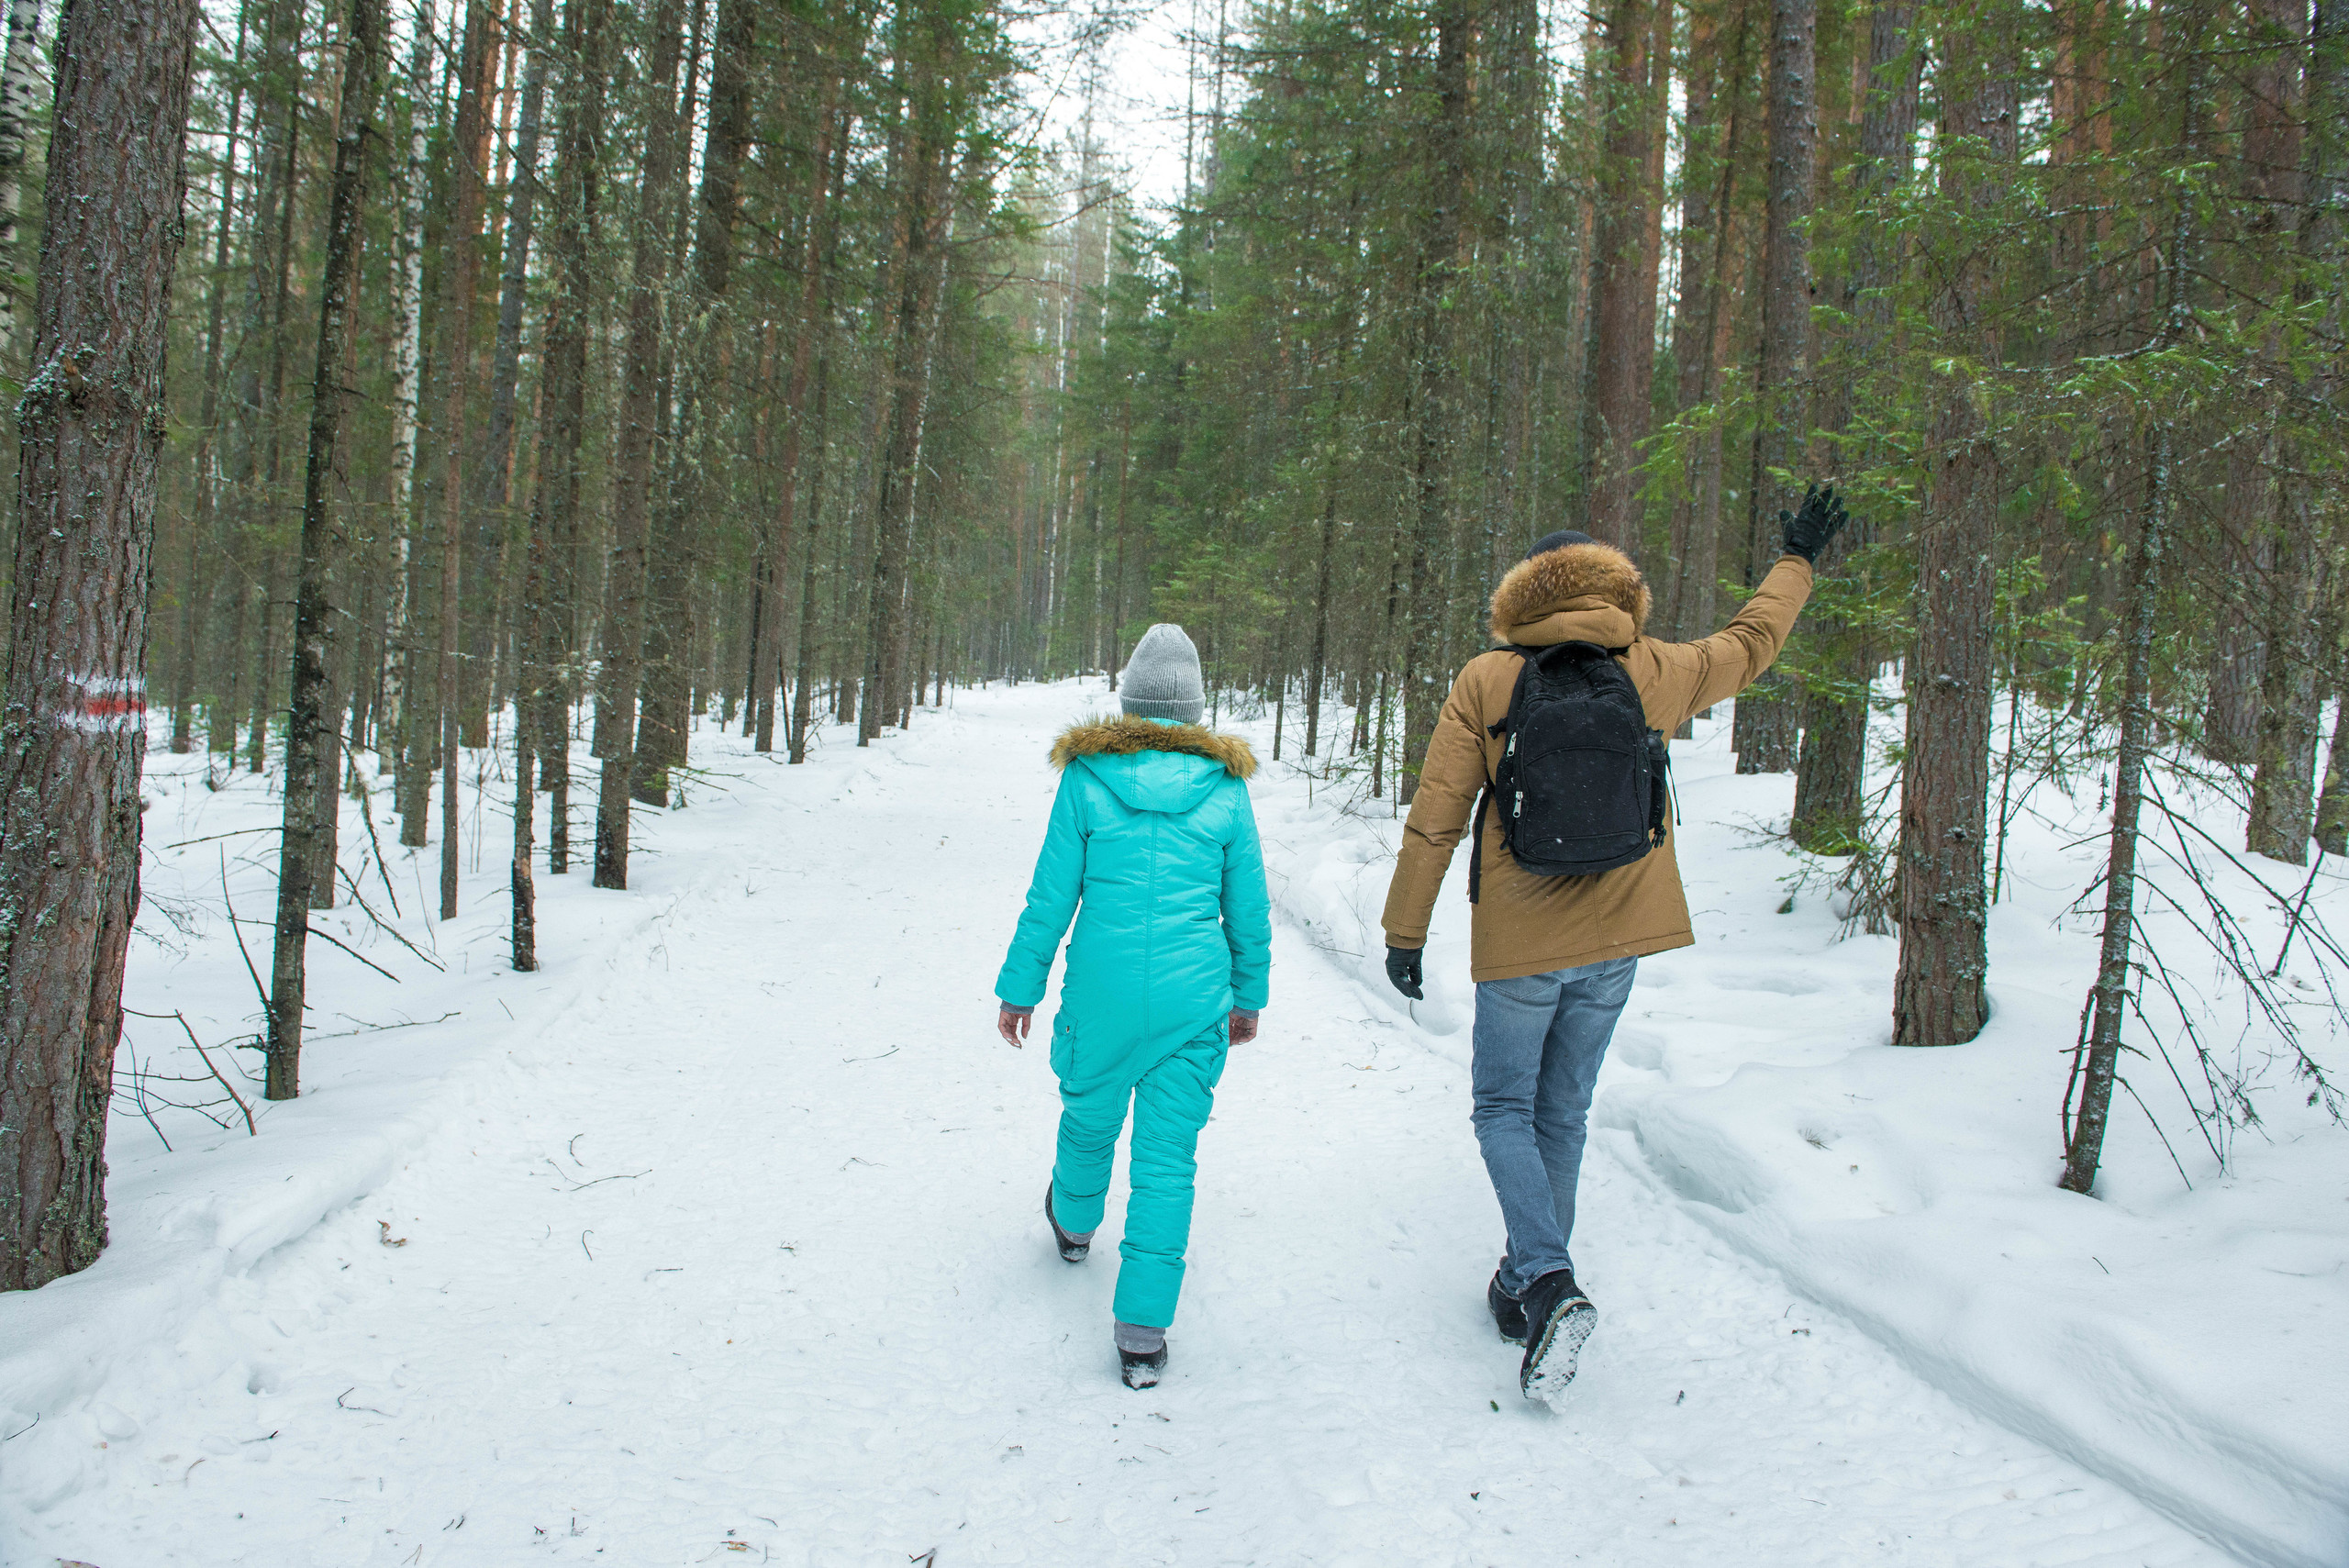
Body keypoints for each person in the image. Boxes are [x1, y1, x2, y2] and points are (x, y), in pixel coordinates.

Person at [1379, 486, 1849, 1405]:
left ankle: (1546, 1278)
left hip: (1521, 941)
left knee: (1501, 1106)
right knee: (1562, 1110)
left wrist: (1406, 930)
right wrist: (1796, 557)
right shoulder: (1655, 668)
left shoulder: (1487, 678)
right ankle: (1523, 1281)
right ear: (1608, 587)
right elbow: (1752, 642)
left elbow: (1436, 817)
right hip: (1619, 940)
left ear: (1525, 592)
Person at [995, 623, 1273, 1389]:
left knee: (1088, 1119)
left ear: (1128, 701)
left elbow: (1051, 895)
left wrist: (1021, 986)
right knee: (1165, 1161)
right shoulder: (1226, 789)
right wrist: (1248, 997)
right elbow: (1248, 910)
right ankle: (1142, 1336)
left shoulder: (1087, 779)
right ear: (1194, 707)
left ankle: (1074, 1225)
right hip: (1193, 1004)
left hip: (1102, 997)